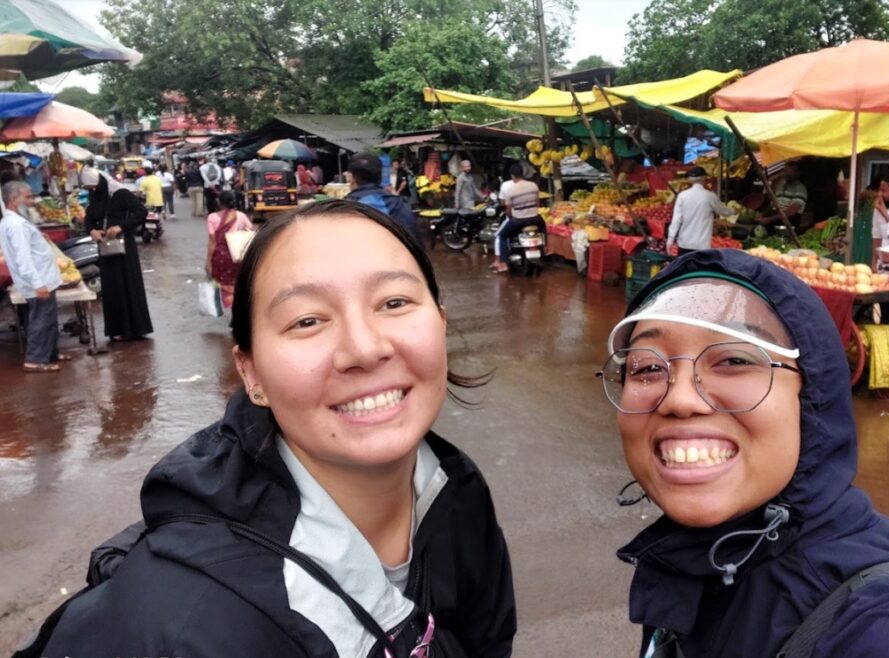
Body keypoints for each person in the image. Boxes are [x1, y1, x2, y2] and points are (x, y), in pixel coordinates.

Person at [41, 199, 517, 657]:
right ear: (251, 373)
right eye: (307, 320)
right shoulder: (183, 626)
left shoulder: (457, 491)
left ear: (440, 320)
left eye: (394, 302)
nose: (365, 349)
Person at [598, 249, 889, 657]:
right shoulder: (698, 563)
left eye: (733, 360)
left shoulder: (886, 625)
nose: (680, 399)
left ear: (813, 397)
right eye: (647, 368)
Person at [81, 168, 154, 342]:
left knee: (128, 283)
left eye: (94, 187)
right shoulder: (95, 197)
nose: (92, 191)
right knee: (112, 287)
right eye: (89, 188)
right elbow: (89, 218)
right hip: (105, 247)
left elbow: (140, 212)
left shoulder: (120, 193)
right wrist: (92, 230)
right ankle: (117, 329)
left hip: (124, 247)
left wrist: (121, 226)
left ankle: (135, 328)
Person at [0, 181, 65, 372]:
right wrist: (38, 284)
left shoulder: (14, 221)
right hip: (38, 280)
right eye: (27, 196)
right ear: (14, 199)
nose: (32, 200)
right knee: (40, 320)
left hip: (43, 278)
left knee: (48, 319)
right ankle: (35, 360)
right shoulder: (16, 224)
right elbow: (23, 258)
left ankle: (50, 353)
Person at [345, 151, 421, 246]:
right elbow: (416, 244)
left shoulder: (343, 209)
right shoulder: (399, 205)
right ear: (381, 177)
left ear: (351, 178)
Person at [665, 166, 735, 255]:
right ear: (704, 178)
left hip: (684, 243)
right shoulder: (710, 196)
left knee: (686, 268)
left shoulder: (682, 196)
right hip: (702, 245)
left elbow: (676, 220)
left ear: (690, 179)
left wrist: (670, 240)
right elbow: (724, 212)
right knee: (700, 269)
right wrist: (734, 211)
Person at [491, 163, 544, 274]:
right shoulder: (533, 185)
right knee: (543, 228)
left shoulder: (511, 190)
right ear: (523, 174)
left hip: (519, 220)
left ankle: (503, 263)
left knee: (502, 236)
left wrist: (510, 215)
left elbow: (509, 210)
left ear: (513, 176)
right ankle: (546, 247)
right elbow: (538, 203)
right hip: (535, 218)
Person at [205, 189, 253, 310]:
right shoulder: (241, 215)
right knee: (239, 283)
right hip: (238, 255)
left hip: (221, 257)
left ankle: (233, 310)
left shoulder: (212, 217)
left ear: (219, 202)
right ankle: (240, 309)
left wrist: (208, 261)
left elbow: (212, 240)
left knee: (226, 286)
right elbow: (251, 230)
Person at [757, 162, 807, 227]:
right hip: (774, 223)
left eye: (789, 172)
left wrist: (769, 219)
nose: (785, 174)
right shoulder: (780, 186)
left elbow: (791, 212)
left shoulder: (800, 189)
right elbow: (773, 204)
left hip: (788, 227)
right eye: (785, 171)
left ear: (797, 173)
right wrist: (762, 214)